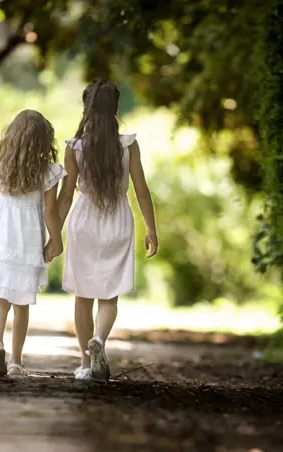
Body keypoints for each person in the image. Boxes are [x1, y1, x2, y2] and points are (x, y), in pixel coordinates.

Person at [56, 78, 158, 381]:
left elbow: (64, 196)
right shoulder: (129, 145)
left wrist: (53, 236)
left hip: (84, 221)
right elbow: (141, 191)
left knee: (82, 296)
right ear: (115, 109)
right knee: (109, 295)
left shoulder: (75, 148)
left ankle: (86, 364)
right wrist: (151, 229)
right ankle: (99, 339)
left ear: (86, 108)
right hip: (118, 221)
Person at [0, 109, 66, 377]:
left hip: (1, 236)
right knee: (21, 305)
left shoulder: (0, 165)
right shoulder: (49, 172)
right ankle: (16, 362)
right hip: (28, 240)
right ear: (44, 140)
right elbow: (50, 213)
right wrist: (56, 241)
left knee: (0, 300)